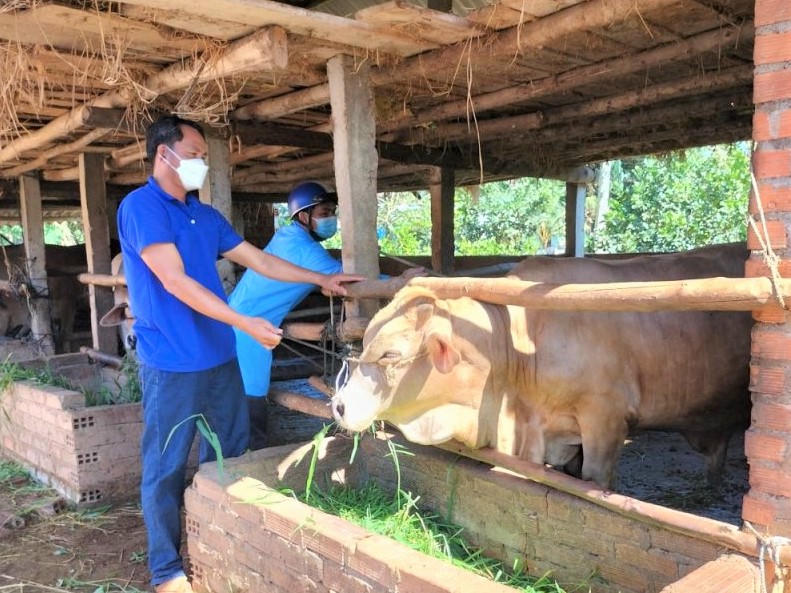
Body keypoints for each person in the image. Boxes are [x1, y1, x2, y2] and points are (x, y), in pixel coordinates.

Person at [117, 116, 361, 593]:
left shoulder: (205, 216)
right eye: (193, 153)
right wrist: (244, 321)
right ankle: (166, 569)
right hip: (171, 364)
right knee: (166, 467)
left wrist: (321, 279)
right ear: (162, 153)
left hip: (220, 358)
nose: (201, 163)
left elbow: (261, 260)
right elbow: (174, 281)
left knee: (228, 458)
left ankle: (218, 541)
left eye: (204, 156)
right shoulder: (141, 207)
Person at [228, 181, 422, 448]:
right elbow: (346, 280)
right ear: (304, 217)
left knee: (240, 397)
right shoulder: (301, 247)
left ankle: (240, 458)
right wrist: (402, 281)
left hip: (242, 324)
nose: (330, 219)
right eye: (323, 213)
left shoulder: (290, 238)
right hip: (247, 331)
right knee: (250, 401)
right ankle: (248, 463)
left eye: (332, 212)